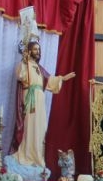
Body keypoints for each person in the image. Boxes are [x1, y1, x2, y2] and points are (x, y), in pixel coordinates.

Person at [10, 40, 76, 169]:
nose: (38, 52)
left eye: (39, 50)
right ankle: (26, 155)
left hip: (40, 101)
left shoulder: (39, 69)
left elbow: (50, 81)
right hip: (30, 99)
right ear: (29, 51)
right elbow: (20, 75)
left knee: (40, 129)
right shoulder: (25, 65)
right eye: (35, 49)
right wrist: (24, 61)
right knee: (30, 127)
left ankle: (37, 158)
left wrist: (62, 78)